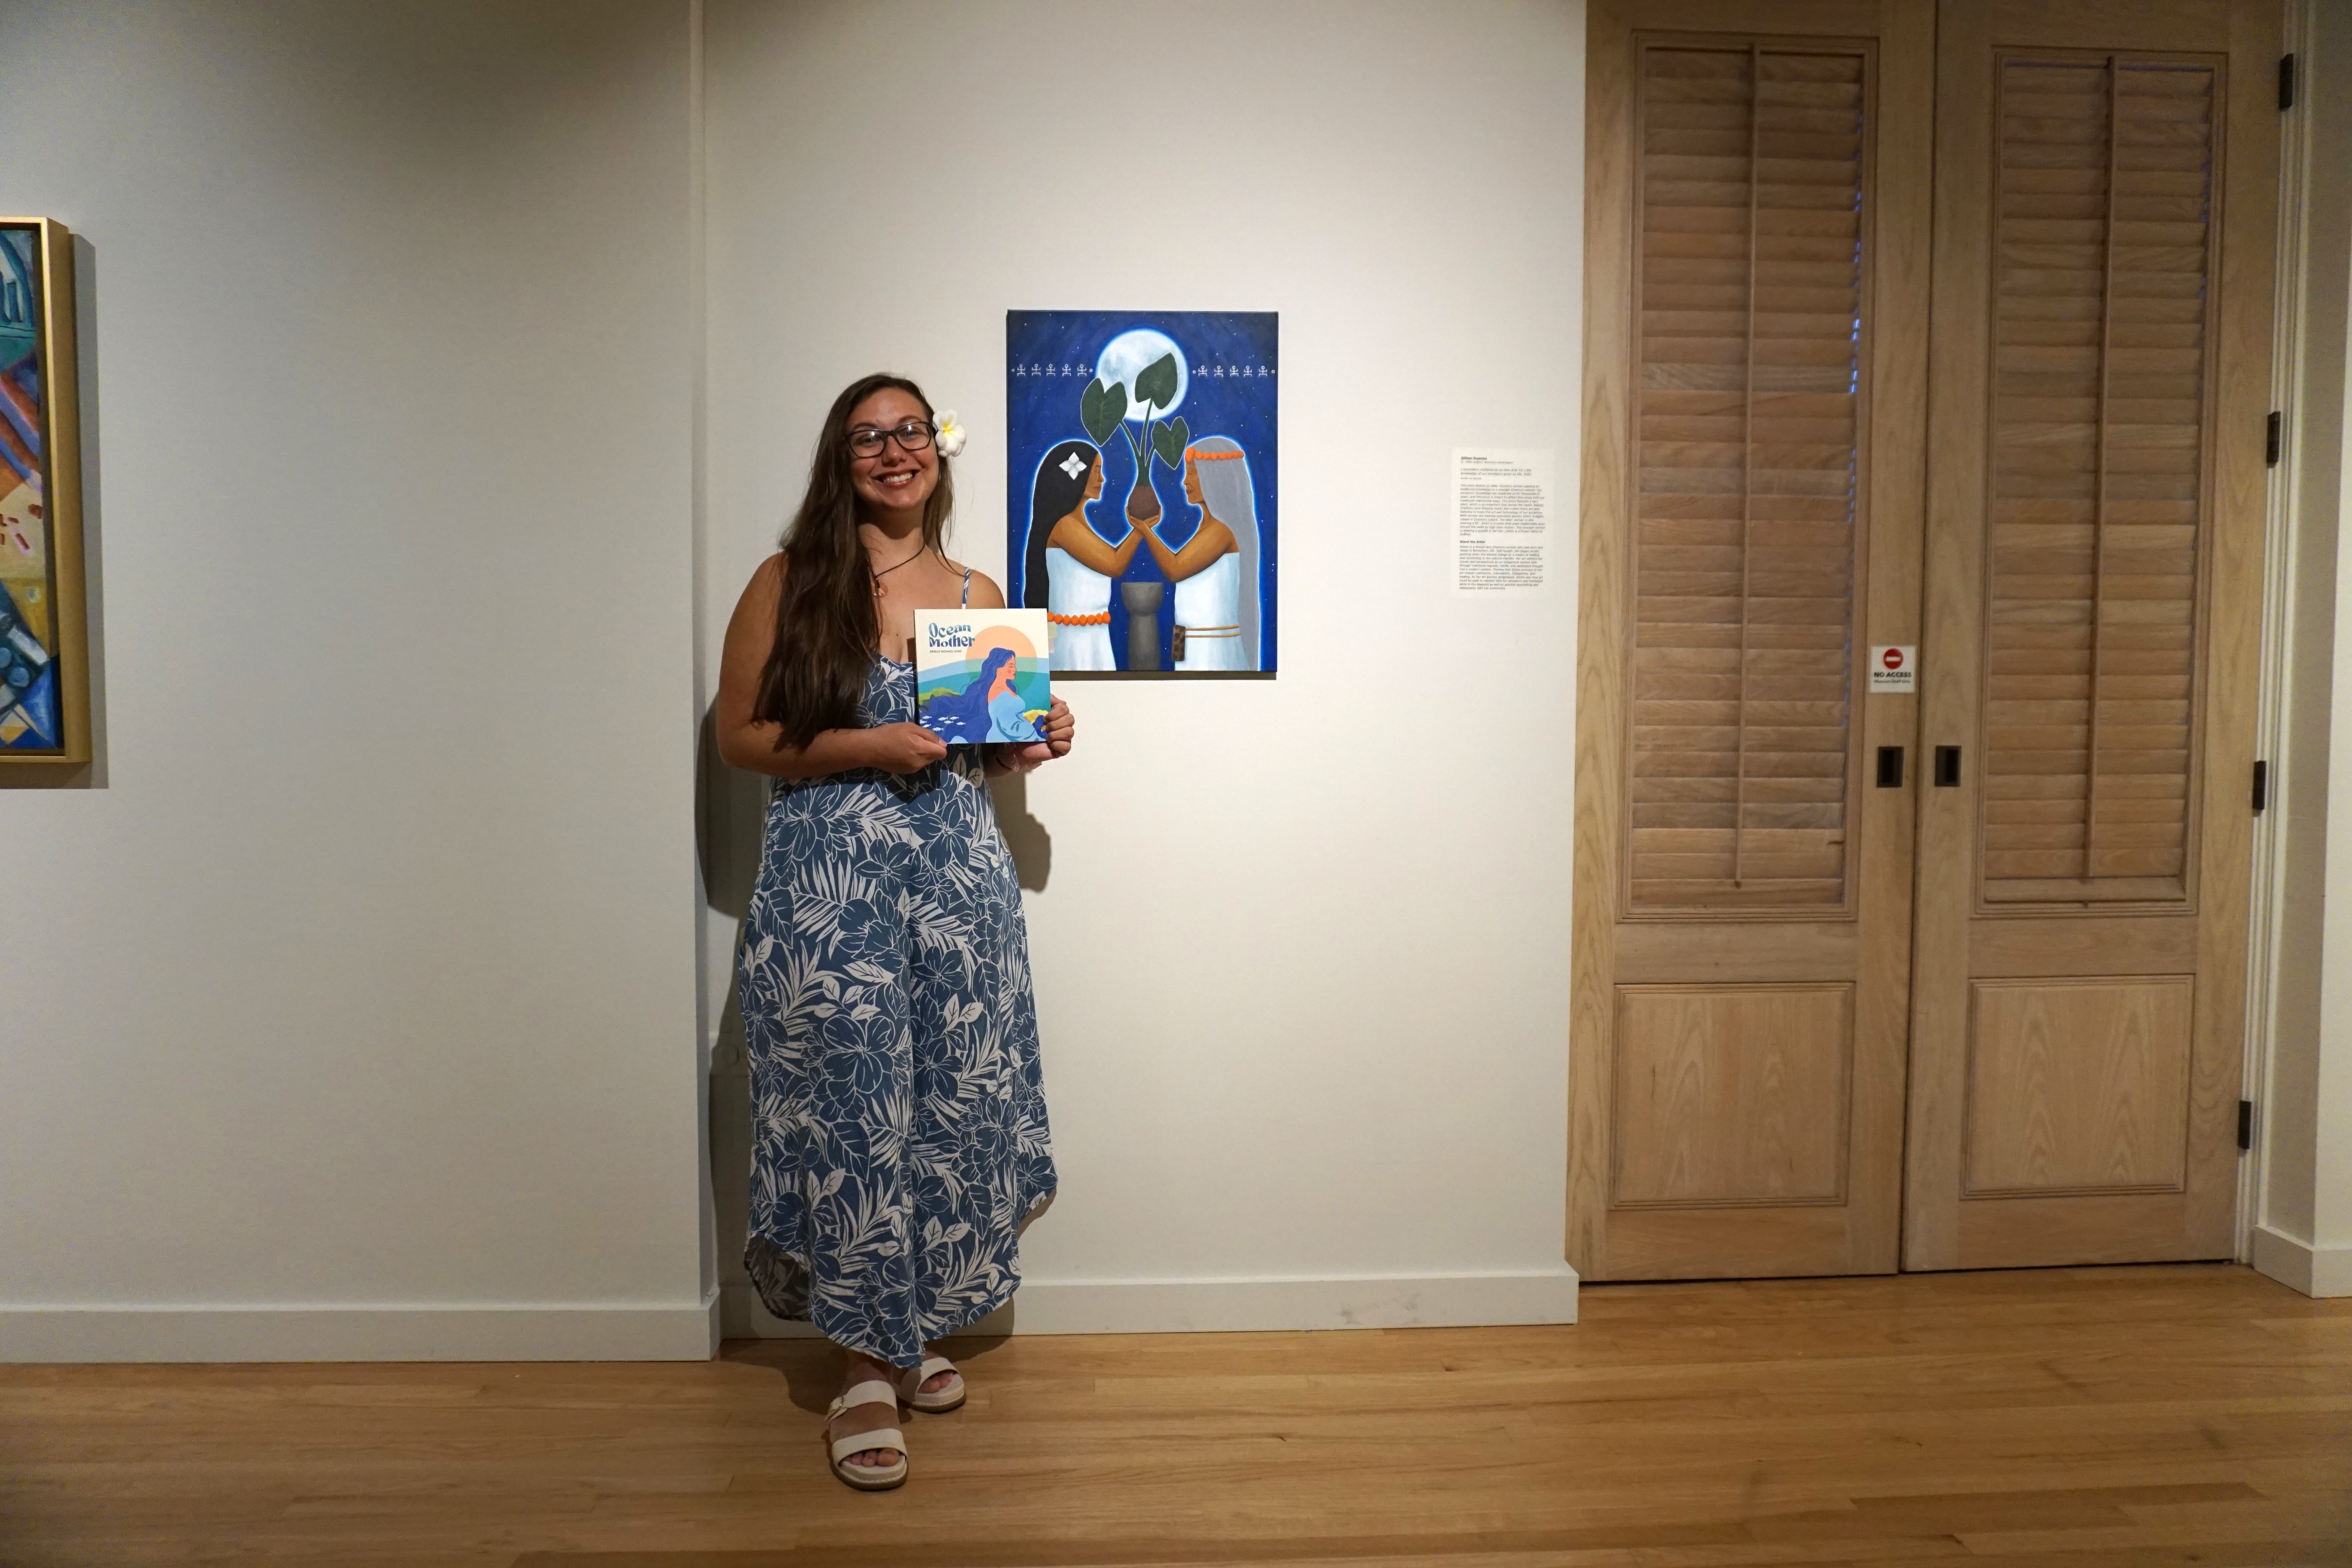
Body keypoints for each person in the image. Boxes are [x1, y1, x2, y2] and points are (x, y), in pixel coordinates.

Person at [714, 372, 1072, 1492]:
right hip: (831, 893)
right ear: (842, 458)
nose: (894, 450)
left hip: (959, 892)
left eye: (910, 430)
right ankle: (865, 1367)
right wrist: (868, 746)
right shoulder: (790, 580)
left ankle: (906, 1327)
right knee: (854, 1114)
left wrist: (1030, 739)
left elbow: (984, 750)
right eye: (868, 436)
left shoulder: (974, 591)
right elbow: (742, 736)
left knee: (949, 1108)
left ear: (936, 450)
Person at [1136, 436, 1260, 671]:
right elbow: (1185, 607)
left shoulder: (1221, 532)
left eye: (1192, 473)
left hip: (1214, 651)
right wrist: (1178, 655)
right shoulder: (1205, 529)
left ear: (1215, 479)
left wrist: (1145, 530)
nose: (1185, 481)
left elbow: (1175, 569)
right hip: (1193, 645)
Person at [1022, 439, 1141, 670]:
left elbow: (1107, 556)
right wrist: (1140, 529)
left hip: (1090, 637)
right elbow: (1114, 564)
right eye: (1097, 471)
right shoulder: (1066, 526)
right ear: (1076, 474)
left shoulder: (1078, 523)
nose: (1102, 479)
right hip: (1073, 643)